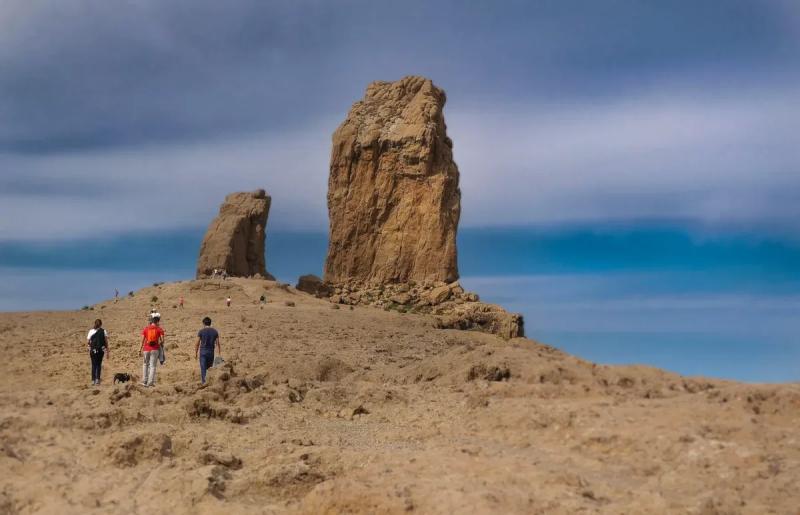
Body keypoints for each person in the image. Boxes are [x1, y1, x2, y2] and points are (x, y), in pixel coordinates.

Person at [139, 315, 165, 387]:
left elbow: (142, 340)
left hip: (146, 349)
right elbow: (162, 341)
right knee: (152, 366)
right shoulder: (159, 329)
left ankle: (144, 381)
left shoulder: (146, 329)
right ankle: (150, 383)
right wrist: (160, 345)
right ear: (157, 322)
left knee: (145, 365)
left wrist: (139, 349)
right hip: (155, 349)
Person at [195, 316, 221, 385]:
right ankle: (209, 381)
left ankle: (204, 383)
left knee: (203, 369)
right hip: (211, 352)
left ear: (203, 323)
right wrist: (219, 353)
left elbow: (197, 343)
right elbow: (218, 343)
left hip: (203, 352)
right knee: (209, 368)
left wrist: (196, 353)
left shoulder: (201, 331)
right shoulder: (215, 331)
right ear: (210, 323)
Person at [87, 319, 109, 385]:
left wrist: (89, 348)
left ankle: (93, 380)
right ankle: (97, 380)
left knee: (93, 365)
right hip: (100, 350)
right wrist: (107, 351)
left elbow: (88, 342)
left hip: (92, 350)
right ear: (101, 324)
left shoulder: (91, 331)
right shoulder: (104, 331)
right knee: (98, 364)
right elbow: (106, 342)